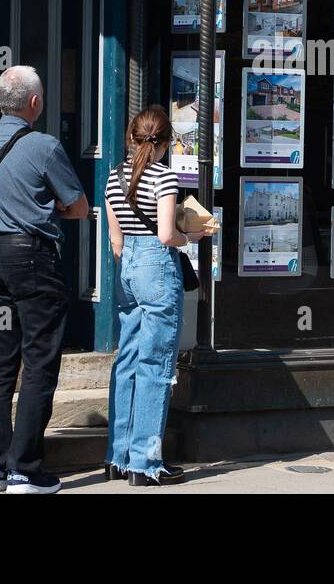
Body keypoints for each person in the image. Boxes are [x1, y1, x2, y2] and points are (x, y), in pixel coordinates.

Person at [0, 65, 88, 495]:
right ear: (35, 103)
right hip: (31, 259)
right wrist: (47, 207)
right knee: (39, 360)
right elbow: (78, 206)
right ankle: (24, 469)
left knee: (2, 361)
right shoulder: (44, 146)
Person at [103, 105, 213, 487]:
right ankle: (146, 462)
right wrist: (193, 236)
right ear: (165, 143)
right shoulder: (164, 177)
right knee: (156, 363)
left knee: (127, 360)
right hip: (156, 265)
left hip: (128, 266)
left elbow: (115, 240)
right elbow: (167, 235)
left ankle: (117, 457)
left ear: (131, 139)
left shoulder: (114, 177)